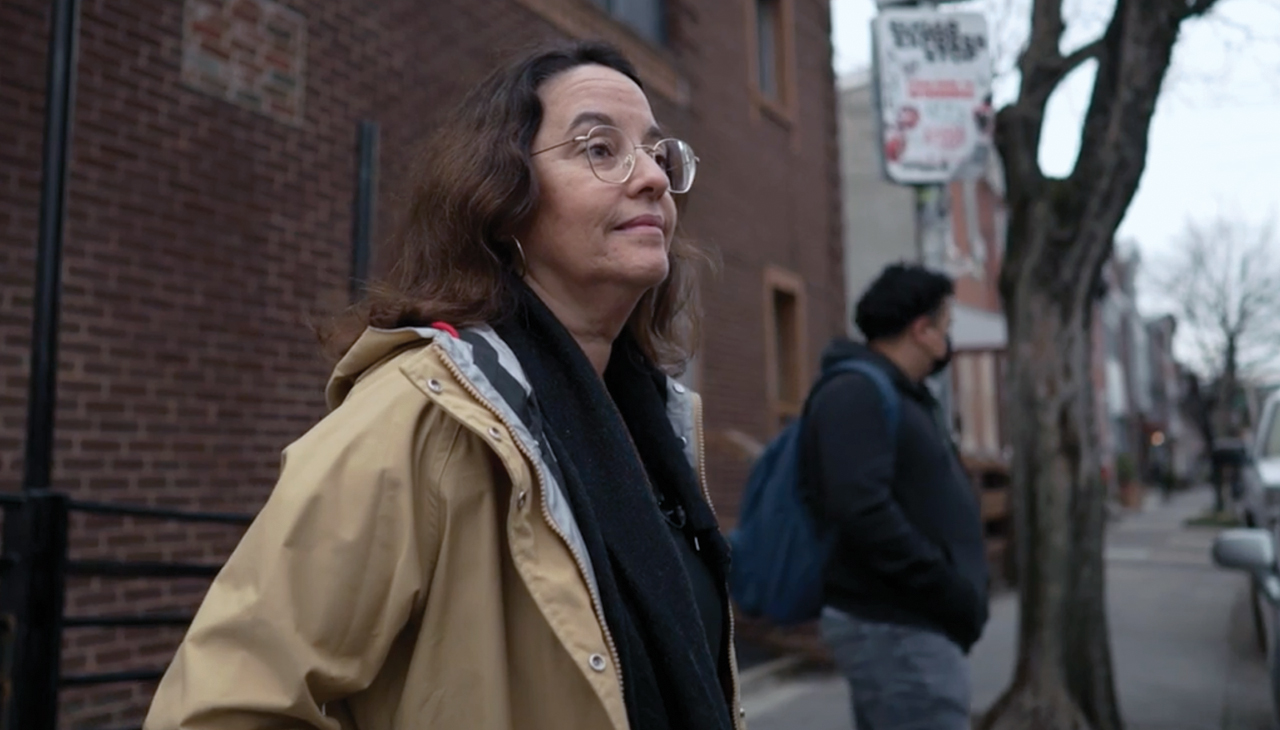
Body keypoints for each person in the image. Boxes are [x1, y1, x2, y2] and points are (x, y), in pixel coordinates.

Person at [144, 41, 742, 730]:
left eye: (659, 154)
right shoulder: (421, 413)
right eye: (600, 149)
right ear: (503, 199)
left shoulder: (657, 428)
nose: (654, 180)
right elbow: (223, 708)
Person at [799, 263, 989, 730]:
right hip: (897, 625)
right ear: (921, 329)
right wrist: (946, 586)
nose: (949, 338)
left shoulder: (898, 392)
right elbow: (861, 510)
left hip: (910, 626)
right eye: (947, 324)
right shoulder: (857, 392)